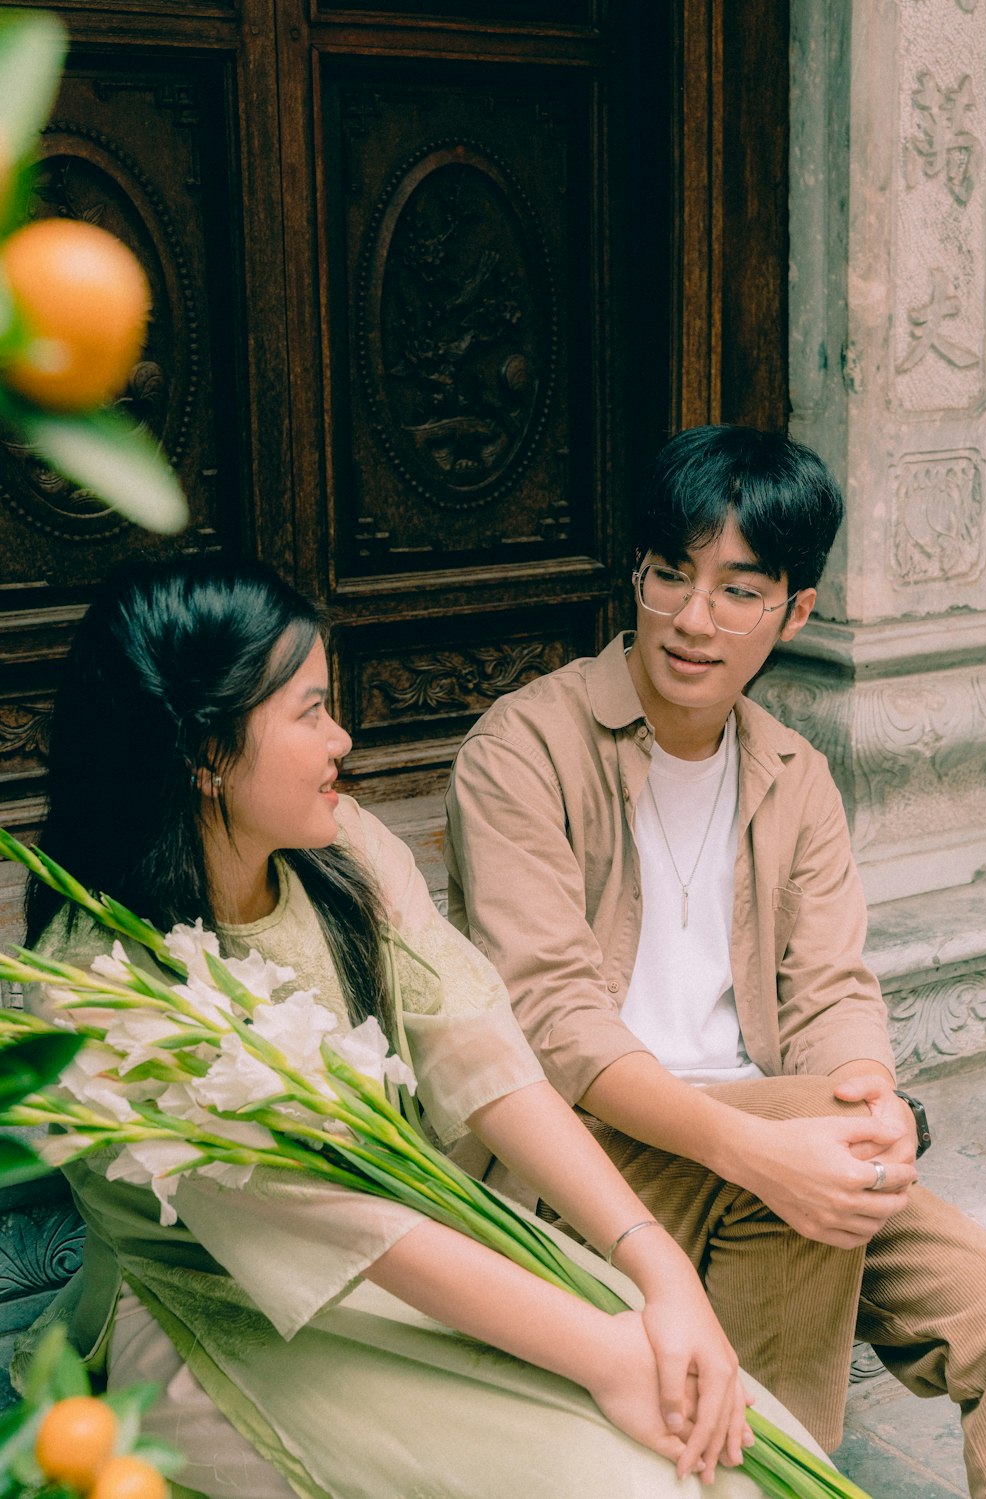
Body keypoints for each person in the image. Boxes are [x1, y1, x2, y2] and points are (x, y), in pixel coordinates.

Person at [17, 553, 823, 1499]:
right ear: (206, 752)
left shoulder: (345, 851)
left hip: (428, 1250)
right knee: (634, 1481)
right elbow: (344, 1227)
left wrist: (659, 1273)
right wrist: (605, 1353)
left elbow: (486, 1058)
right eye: (311, 710)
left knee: (756, 1446)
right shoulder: (101, 986)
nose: (345, 738)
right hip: (228, 1312)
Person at [444, 424, 986, 1499]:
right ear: (638, 574)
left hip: (774, 1139)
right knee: (806, 1159)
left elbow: (834, 988)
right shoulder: (525, 749)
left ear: (794, 610)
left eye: (739, 590)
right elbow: (556, 1022)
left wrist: (871, 1098)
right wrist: (763, 1144)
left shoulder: (795, 775)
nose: (692, 619)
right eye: (670, 574)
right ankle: (761, 1469)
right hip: (594, 1161)